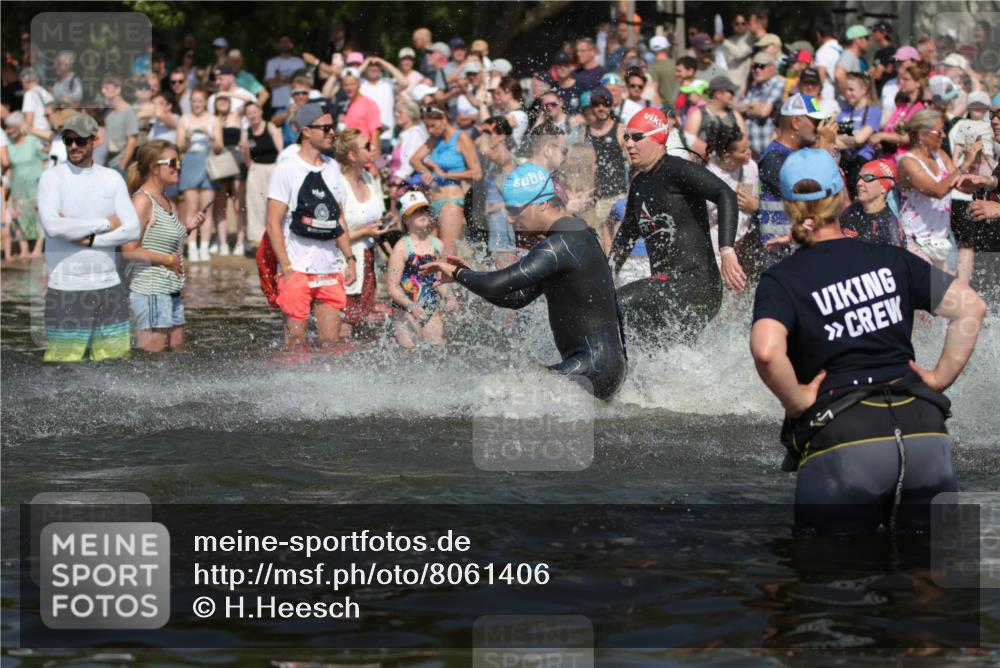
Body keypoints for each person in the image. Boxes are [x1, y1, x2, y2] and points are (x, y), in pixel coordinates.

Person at [750, 147, 986, 534]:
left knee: (825, 575)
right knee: (933, 580)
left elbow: (766, 350)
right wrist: (940, 378)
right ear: (842, 196)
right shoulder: (892, 259)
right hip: (924, 426)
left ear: (790, 207)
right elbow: (971, 308)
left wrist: (797, 401)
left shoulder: (784, 278)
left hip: (845, 433)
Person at [422, 162, 627, 400]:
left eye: (514, 210)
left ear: (541, 203)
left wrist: (458, 275)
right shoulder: (577, 234)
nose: (509, 219)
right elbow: (515, 298)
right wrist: (467, 276)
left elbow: (496, 283)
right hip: (603, 368)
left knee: (499, 395)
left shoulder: (561, 245)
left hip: (593, 370)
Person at [609, 108, 746, 344]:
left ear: (659, 137)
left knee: (619, 303)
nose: (629, 144)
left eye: (637, 137)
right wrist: (607, 275)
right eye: (626, 137)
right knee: (645, 342)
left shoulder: (678, 169)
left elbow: (726, 194)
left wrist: (727, 250)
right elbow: (627, 235)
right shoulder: (640, 183)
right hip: (666, 287)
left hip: (696, 284)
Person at [36, 113, 141, 362]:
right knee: (63, 366)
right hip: (65, 288)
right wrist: (105, 223)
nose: (73, 146)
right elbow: (53, 227)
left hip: (109, 287)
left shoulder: (112, 178)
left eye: (80, 140)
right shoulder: (52, 178)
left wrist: (91, 240)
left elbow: (133, 229)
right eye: (68, 140)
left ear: (96, 140)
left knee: (115, 365)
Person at [264, 103, 357, 350]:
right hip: (297, 269)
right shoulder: (287, 168)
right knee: (296, 343)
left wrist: (350, 259)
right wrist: (285, 268)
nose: (331, 133)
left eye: (332, 128)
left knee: (332, 342)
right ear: (306, 131)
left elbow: (339, 218)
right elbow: (273, 223)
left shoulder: (333, 168)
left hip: (329, 269)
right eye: (325, 128)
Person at [122, 140, 206, 352]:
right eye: (172, 162)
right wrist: (168, 260)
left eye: (179, 161)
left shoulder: (165, 199)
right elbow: (128, 250)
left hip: (171, 289)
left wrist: (187, 228)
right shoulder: (142, 200)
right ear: (153, 167)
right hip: (150, 290)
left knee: (177, 349)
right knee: (153, 357)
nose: (178, 166)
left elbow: (159, 239)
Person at [754, 94, 835, 267]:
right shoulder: (774, 158)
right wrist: (824, 150)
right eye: (815, 122)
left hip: (799, 247)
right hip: (777, 255)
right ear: (796, 122)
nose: (819, 128)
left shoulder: (802, 153)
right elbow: (811, 189)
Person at [896, 109, 976, 271]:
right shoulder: (907, 162)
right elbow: (937, 191)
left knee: (941, 293)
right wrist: (965, 164)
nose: (944, 136)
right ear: (922, 134)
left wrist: (984, 180)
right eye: (939, 132)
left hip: (941, 240)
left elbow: (963, 187)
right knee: (931, 294)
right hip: (915, 241)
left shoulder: (941, 155)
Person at [334, 129, 390, 337]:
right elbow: (333, 233)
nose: (373, 148)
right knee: (345, 324)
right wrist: (366, 231)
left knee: (363, 321)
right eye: (367, 146)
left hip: (368, 259)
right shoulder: (339, 184)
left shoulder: (368, 177)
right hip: (345, 263)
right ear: (352, 155)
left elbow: (378, 216)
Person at [387, 190, 458, 347]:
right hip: (404, 308)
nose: (421, 214)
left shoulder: (438, 245)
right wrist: (411, 306)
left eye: (423, 209)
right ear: (405, 219)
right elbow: (392, 287)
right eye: (415, 211)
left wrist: (449, 297)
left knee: (436, 346)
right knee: (409, 351)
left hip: (429, 305)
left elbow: (441, 280)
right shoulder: (401, 249)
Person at [410, 104, 482, 255]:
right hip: (433, 202)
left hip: (451, 202)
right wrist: (426, 172)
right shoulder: (435, 139)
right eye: (427, 127)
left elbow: (476, 173)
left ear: (443, 119)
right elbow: (414, 160)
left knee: (448, 254)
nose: (430, 130)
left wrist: (444, 175)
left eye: (433, 125)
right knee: (430, 253)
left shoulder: (461, 137)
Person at [177, 87, 223, 262]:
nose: (197, 104)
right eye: (194, 101)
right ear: (191, 103)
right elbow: (180, 147)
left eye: (200, 101)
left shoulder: (213, 120)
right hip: (190, 162)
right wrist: (187, 138)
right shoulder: (184, 120)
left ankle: (204, 246)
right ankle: (192, 246)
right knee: (191, 208)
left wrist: (210, 135)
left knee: (207, 210)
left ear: (205, 102)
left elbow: (219, 147)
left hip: (209, 163)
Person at [583, 86, 627, 251]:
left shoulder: (620, 129)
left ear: (611, 106)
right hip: (597, 197)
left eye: (605, 103)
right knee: (601, 244)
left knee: (619, 242)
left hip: (618, 194)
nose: (601, 108)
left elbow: (633, 162)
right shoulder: (586, 131)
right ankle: (608, 276)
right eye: (597, 104)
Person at [705, 125, 758, 259]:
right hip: (717, 249)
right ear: (727, 155)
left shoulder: (750, 167)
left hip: (745, 246)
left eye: (748, 147)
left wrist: (756, 205)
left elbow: (748, 204)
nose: (749, 153)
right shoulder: (708, 176)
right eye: (743, 150)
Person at [240, 100, 283, 252]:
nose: (252, 115)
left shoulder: (271, 127)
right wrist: (244, 150)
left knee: (273, 205)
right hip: (255, 170)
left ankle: (275, 238)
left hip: (273, 169)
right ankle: (258, 241)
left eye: (254, 112)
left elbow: (281, 152)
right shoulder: (246, 132)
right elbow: (247, 161)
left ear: (260, 112)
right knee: (255, 206)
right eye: (249, 113)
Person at [4, 111, 46, 257]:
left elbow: (45, 160)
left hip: (35, 185)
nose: (9, 131)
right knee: (19, 217)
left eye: (12, 128)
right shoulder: (8, 144)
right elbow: (8, 166)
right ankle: (24, 250)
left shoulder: (33, 140)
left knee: (38, 216)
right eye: (7, 128)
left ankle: (37, 248)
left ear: (20, 127)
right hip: (17, 186)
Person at [477, 116, 517, 267]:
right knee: (498, 264)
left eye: (489, 133)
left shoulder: (504, 154)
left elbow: (484, 149)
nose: (485, 137)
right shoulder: (495, 156)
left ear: (502, 135)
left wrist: (486, 132)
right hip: (495, 216)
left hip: (502, 217)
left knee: (505, 266)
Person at [869, 61, 929, 162]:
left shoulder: (920, 108)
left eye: (906, 79)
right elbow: (889, 129)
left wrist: (881, 136)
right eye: (901, 79)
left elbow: (909, 138)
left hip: (906, 160)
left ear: (918, 83)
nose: (901, 82)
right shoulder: (902, 106)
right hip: (889, 156)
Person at [209, 93, 246, 257]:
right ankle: (221, 241)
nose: (222, 102)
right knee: (220, 204)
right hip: (220, 160)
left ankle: (240, 241)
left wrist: (229, 91)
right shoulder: (212, 119)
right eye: (219, 100)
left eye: (225, 100)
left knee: (239, 204)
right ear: (215, 104)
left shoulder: (236, 115)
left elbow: (250, 100)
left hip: (236, 160)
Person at [835, 72, 882, 198]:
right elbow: (830, 137)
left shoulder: (873, 111)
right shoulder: (844, 111)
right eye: (846, 90)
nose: (848, 93)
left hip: (861, 163)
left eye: (851, 89)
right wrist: (851, 139)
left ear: (864, 89)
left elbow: (860, 139)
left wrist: (841, 139)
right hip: (842, 161)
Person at [839, 159, 904, 246]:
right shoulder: (852, 210)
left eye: (868, 178)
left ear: (884, 187)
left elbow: (894, 258)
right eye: (859, 178)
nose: (859, 183)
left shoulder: (889, 226)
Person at [684, 76, 746, 160]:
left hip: (728, 166)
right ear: (718, 94)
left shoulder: (735, 115)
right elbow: (689, 141)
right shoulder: (697, 115)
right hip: (703, 165)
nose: (733, 95)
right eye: (730, 92)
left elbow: (743, 140)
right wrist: (715, 154)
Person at [737, 53, 785, 157]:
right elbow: (737, 108)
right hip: (752, 151)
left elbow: (763, 112)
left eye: (761, 66)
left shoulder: (777, 83)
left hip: (770, 150)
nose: (757, 70)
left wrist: (748, 107)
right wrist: (752, 105)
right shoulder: (754, 87)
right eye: (754, 66)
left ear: (772, 67)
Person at [101, 75, 139, 173]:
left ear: (118, 89)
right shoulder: (107, 112)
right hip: (107, 163)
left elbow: (132, 141)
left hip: (120, 164)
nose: (103, 91)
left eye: (107, 88)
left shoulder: (128, 111)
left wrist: (122, 165)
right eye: (103, 88)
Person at [388, 98, 429, 184]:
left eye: (400, 113)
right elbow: (392, 156)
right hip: (395, 178)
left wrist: (399, 180)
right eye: (396, 112)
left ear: (411, 115)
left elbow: (409, 159)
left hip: (407, 182)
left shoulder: (415, 133)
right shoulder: (401, 132)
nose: (397, 115)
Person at [265, 36, 306, 115]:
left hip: (298, 104)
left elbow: (303, 83)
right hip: (279, 105)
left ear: (291, 45)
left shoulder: (299, 62)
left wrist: (279, 79)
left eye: (287, 42)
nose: (285, 44)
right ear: (278, 45)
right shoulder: (272, 63)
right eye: (282, 42)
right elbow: (271, 84)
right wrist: (292, 79)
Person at [834, 25, 870, 99]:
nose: (868, 42)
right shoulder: (848, 55)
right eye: (866, 38)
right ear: (857, 40)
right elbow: (839, 74)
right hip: (847, 108)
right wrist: (848, 96)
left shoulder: (852, 56)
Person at [722, 15, 754, 90]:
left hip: (743, 84)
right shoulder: (729, 40)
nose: (740, 26)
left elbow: (739, 54)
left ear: (747, 24)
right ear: (732, 24)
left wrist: (723, 41)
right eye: (737, 23)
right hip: (728, 82)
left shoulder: (751, 38)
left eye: (743, 23)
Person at [648, 35, 676, 107]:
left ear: (651, 50)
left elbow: (653, 93)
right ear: (667, 48)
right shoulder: (677, 65)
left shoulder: (652, 68)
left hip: (667, 109)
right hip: (681, 108)